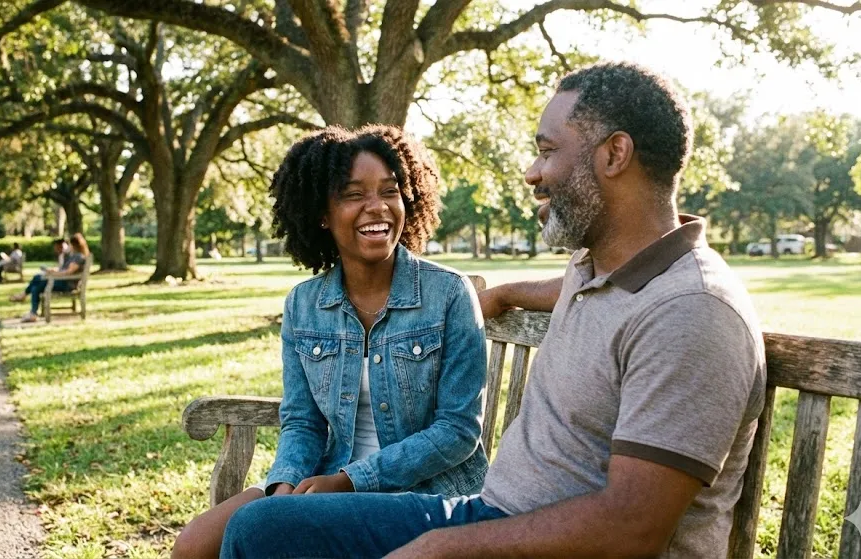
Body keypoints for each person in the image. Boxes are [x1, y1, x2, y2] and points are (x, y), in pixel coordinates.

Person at [219, 62, 767, 559]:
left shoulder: (693, 313)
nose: (533, 172)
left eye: (548, 150)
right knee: (262, 530)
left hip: (543, 542)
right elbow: (585, 289)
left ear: (614, 155)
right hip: (495, 514)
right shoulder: (599, 268)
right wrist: (506, 294)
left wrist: (442, 549)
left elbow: (630, 530)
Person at [170, 125, 489, 559]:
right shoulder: (304, 304)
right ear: (322, 212)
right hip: (321, 479)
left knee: (257, 530)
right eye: (353, 194)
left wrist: (350, 480)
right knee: (193, 546)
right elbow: (302, 420)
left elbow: (458, 431)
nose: (376, 207)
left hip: (424, 493)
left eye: (389, 191)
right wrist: (284, 483)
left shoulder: (447, 294)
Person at [9, 234, 89, 323]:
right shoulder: (73, 256)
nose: (68, 246)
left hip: (66, 284)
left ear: (74, 245)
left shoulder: (78, 257)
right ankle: (32, 313)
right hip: (62, 281)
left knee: (37, 278)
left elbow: (68, 272)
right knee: (36, 287)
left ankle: (25, 298)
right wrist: (53, 271)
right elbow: (64, 269)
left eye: (70, 244)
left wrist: (54, 273)